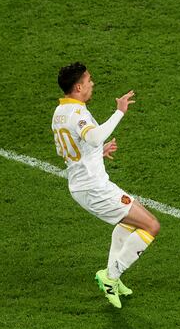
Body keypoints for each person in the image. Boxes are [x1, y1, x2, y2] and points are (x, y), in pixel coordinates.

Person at [51, 62, 160, 309]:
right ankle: (110, 276)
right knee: (151, 226)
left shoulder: (60, 113)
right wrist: (119, 111)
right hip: (94, 188)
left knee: (128, 222)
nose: (92, 84)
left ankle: (114, 277)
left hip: (86, 184)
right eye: (89, 80)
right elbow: (94, 136)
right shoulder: (77, 114)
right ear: (78, 86)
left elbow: (70, 151)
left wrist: (97, 153)